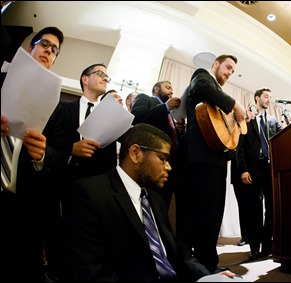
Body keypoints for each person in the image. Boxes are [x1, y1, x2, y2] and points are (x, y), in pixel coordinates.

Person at [61, 123, 245, 282]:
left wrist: (205, 277)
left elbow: (177, 250)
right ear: (135, 153)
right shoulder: (90, 194)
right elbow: (90, 272)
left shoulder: (154, 199)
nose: (169, 167)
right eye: (163, 159)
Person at [0, 26, 67, 282]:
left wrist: (42, 155)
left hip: (23, 207)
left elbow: (59, 155)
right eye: (44, 44)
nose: (49, 51)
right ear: (31, 48)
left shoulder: (57, 108)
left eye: (55, 51)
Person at [180, 54, 247, 273]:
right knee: (203, 215)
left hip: (217, 161)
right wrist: (235, 104)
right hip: (200, 160)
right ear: (216, 64)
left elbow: (222, 133)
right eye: (228, 67)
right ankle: (201, 266)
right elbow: (202, 86)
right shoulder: (202, 77)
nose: (229, 73)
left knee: (214, 216)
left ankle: (208, 263)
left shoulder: (217, 101)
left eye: (232, 71)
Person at [236, 87, 282, 261]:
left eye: (270, 97)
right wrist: (243, 170)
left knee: (271, 209)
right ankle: (254, 248)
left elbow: (284, 135)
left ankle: (267, 245)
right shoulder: (247, 119)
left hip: (269, 169)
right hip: (253, 170)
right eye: (266, 96)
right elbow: (239, 148)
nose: (268, 99)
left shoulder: (272, 121)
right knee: (254, 210)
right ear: (257, 98)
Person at [131, 81, 186, 209]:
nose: (171, 91)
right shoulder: (145, 99)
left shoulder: (171, 114)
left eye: (172, 89)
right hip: (153, 162)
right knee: (150, 204)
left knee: (163, 206)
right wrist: (166, 107)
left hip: (172, 165)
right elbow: (136, 116)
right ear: (156, 89)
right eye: (167, 88)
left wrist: (181, 131)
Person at [59, 63, 117, 182]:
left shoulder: (110, 117)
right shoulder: (62, 108)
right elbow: (52, 141)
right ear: (85, 79)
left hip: (93, 185)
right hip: (61, 179)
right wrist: (71, 148)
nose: (105, 78)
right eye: (100, 74)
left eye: (107, 77)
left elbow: (110, 160)